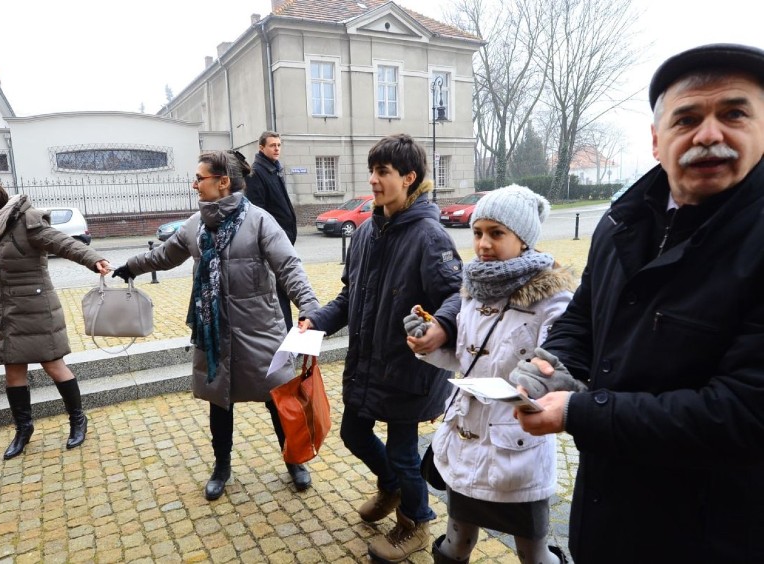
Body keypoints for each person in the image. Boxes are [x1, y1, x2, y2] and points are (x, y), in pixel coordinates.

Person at [513, 43, 764, 563]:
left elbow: (743, 412)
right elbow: (584, 312)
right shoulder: (620, 221)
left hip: (711, 535)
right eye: (687, 118)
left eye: (734, 113)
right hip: (606, 512)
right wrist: (553, 362)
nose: (710, 134)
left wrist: (581, 411)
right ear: (656, 140)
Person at [112, 150, 320, 500]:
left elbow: (289, 267)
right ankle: (221, 466)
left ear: (223, 182)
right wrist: (132, 266)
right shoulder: (195, 225)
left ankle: (294, 459)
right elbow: (164, 255)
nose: (194, 184)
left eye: (200, 178)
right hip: (214, 333)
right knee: (220, 401)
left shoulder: (260, 221)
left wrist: (311, 306)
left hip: (261, 331)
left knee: (278, 399)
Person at [299, 134, 463, 563]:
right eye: (372, 171)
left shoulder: (430, 236)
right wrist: (315, 322)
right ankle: (391, 486)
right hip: (369, 365)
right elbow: (349, 298)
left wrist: (441, 326)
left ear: (409, 178)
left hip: (409, 370)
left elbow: (457, 297)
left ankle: (415, 522)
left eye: (383, 172)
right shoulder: (368, 231)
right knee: (354, 432)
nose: (373, 180)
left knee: (405, 454)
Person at [405, 185, 578, 564]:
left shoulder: (553, 297)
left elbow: (564, 360)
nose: (483, 244)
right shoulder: (472, 288)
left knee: (533, 554)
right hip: (466, 441)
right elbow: (465, 360)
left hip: (515, 449)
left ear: (524, 238)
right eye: (478, 232)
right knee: (457, 544)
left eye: (496, 233)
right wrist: (428, 342)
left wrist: (537, 378)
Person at [0, 179, 111, 460]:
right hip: (7, 310)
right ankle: (23, 429)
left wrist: (93, 259)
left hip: (37, 308)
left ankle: (78, 420)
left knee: (54, 366)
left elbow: (63, 243)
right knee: (13, 371)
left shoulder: (27, 221)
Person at [245, 131, 297, 330]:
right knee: (278, 293)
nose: (277, 149)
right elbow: (259, 213)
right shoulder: (256, 173)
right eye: (272, 145)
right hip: (273, 244)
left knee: (284, 290)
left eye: (279, 145)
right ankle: (284, 341)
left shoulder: (274, 169)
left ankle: (289, 338)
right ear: (261, 148)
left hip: (283, 241)